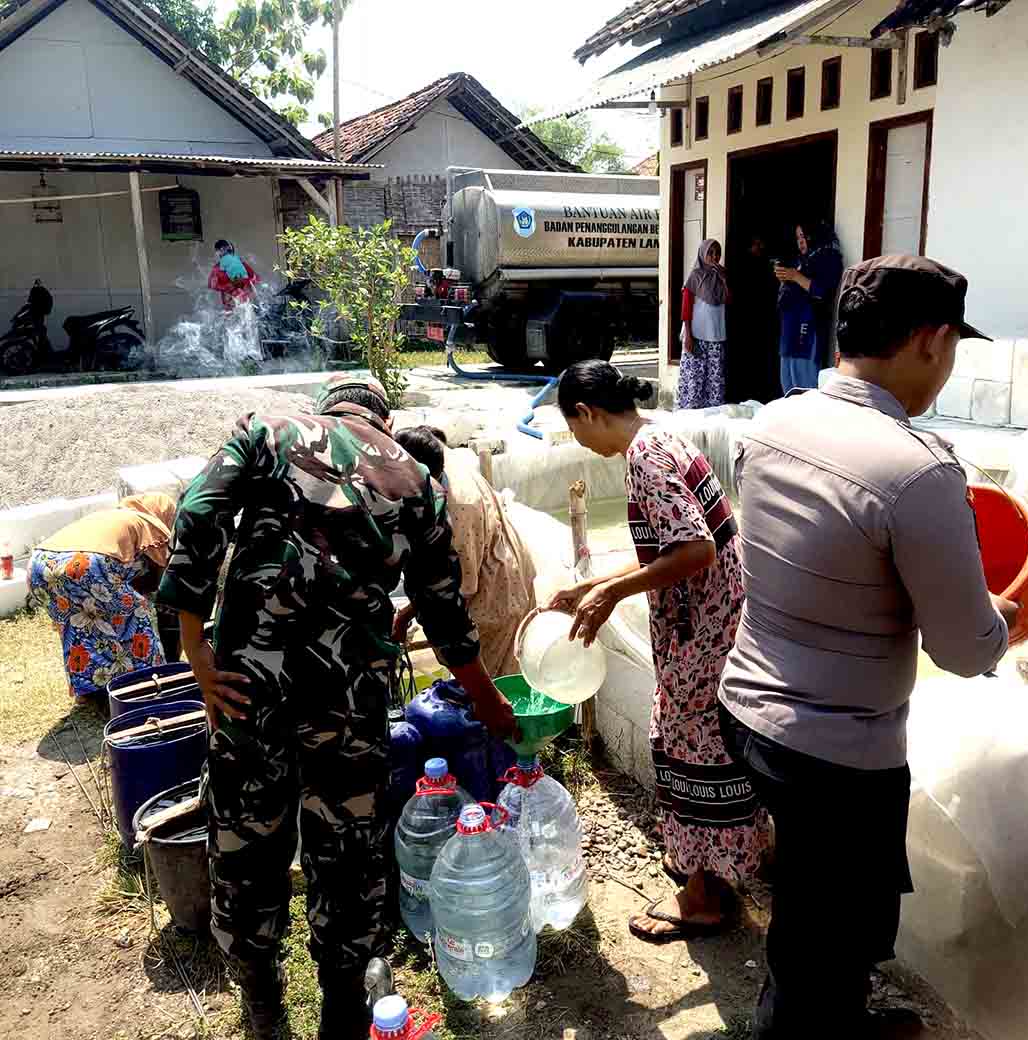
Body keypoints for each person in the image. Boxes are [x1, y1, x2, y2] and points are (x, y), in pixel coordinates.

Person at [157, 376, 515, 1040]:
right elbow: (443, 610)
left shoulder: (268, 430)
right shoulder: (413, 476)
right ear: (384, 419)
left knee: (246, 838)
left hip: (246, 685)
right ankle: (343, 1009)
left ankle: (261, 1001)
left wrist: (193, 643)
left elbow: (198, 512)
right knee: (347, 850)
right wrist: (489, 700)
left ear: (327, 408)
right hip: (349, 697)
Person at [718, 256, 1019, 1039]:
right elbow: (964, 651)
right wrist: (1005, 618)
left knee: (819, 909)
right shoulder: (918, 470)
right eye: (951, 350)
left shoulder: (772, 424)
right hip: (835, 755)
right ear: (930, 340)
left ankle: (839, 1013)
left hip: (749, 710)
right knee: (820, 941)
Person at [549, 360, 769, 942]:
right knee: (707, 744)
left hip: (705, 629)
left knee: (689, 748)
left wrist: (612, 593)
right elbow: (669, 549)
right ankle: (716, 869)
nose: (579, 442)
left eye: (574, 428)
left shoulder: (645, 460)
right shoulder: (663, 437)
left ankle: (702, 899)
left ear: (587, 413)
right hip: (720, 619)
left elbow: (695, 549)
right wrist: (592, 586)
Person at [391, 425, 537, 678]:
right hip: (493, 562)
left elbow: (458, 588)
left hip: (494, 597)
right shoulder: (437, 454)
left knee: (488, 685)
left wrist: (405, 615)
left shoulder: (458, 509)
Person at [27, 493, 177, 698]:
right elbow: (160, 579)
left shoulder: (108, 516)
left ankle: (90, 690)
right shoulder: (151, 526)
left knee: (78, 624)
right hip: (83, 564)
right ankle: (151, 682)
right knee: (139, 612)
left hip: (39, 565)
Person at [774, 220, 843, 394]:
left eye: (804, 236)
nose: (801, 241)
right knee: (788, 381)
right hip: (790, 329)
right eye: (798, 237)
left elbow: (823, 292)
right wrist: (785, 278)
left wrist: (795, 277)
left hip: (808, 328)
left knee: (804, 384)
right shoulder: (800, 261)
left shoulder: (829, 258)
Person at [726, 235, 781, 404]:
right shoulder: (742, 266)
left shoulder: (765, 265)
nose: (760, 247)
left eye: (761, 244)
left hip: (760, 322)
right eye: (757, 244)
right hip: (744, 322)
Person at [677, 239, 730, 409]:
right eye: (710, 253)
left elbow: (729, 300)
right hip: (696, 336)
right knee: (694, 377)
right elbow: (686, 309)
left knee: (714, 379)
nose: (714, 257)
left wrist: (724, 279)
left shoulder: (723, 275)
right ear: (702, 254)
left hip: (716, 336)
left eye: (717, 253)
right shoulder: (695, 276)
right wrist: (688, 335)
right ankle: (690, 413)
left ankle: (712, 415)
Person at [209, 239, 258, 311]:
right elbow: (255, 277)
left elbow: (212, 285)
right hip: (239, 298)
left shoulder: (217, 268)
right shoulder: (238, 262)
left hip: (235, 300)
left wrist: (228, 286)